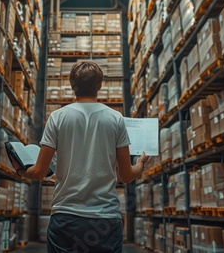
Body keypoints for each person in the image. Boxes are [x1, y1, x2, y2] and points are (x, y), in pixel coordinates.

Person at [13, 61, 149, 252]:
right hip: (104, 222)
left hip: (66, 220)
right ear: (100, 86)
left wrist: (20, 170)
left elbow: (38, 172)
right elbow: (126, 176)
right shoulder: (115, 118)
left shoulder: (57, 117)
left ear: (71, 85)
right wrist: (141, 163)